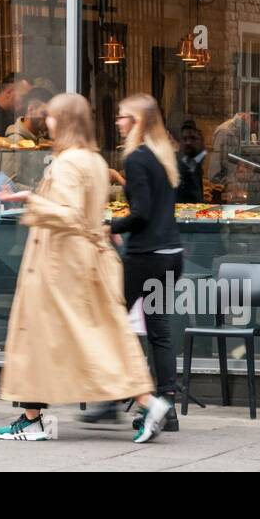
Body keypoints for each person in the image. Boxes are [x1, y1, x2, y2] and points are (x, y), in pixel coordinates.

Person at [0, 93, 171, 443]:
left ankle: (35, 420)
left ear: (67, 121)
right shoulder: (92, 160)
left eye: (54, 117)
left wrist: (32, 200)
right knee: (94, 336)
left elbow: (69, 213)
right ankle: (35, 416)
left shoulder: (67, 162)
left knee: (48, 338)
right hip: (84, 260)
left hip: (60, 265)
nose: (48, 122)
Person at [83, 93, 183, 430]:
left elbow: (140, 214)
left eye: (123, 116)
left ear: (137, 121)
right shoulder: (162, 154)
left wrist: (110, 225)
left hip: (147, 258)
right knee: (159, 330)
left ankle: (110, 401)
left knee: (111, 322)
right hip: (171, 255)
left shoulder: (138, 158)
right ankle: (167, 409)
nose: (117, 122)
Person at [1, 87, 53, 192]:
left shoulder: (40, 138)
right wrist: (40, 192)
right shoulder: (15, 140)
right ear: (31, 109)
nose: (47, 120)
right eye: (44, 114)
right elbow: (8, 183)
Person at [177, 121, 205, 204]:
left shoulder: (196, 163)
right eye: (185, 139)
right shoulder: (183, 165)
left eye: (192, 138)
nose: (188, 142)